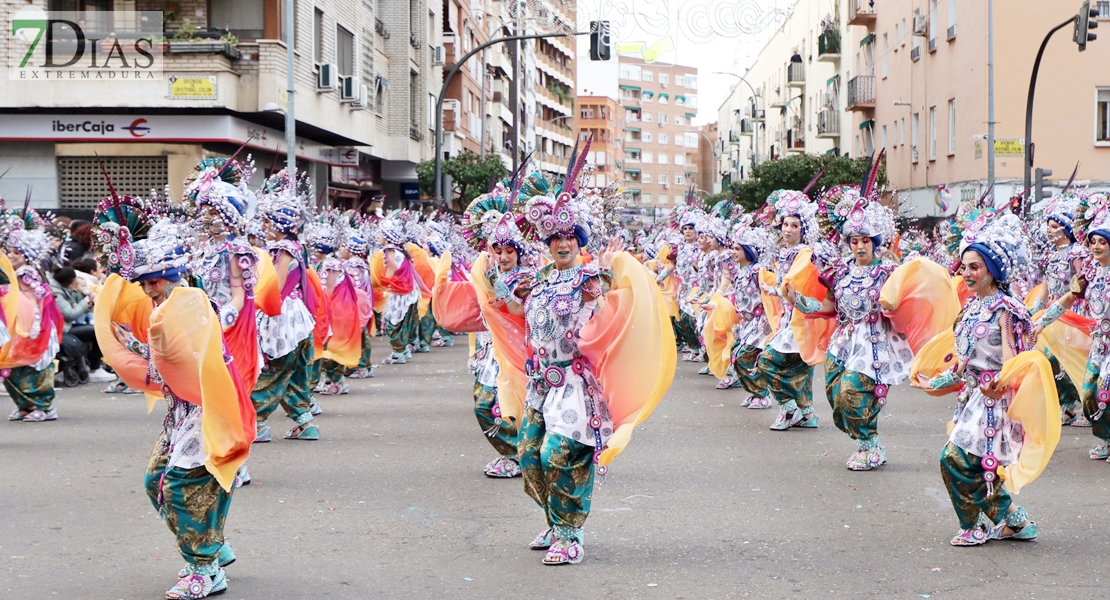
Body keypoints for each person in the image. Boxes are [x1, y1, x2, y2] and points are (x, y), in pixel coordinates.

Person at [911, 210, 1048, 546]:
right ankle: (1016, 522)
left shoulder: (1007, 309)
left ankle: (975, 526)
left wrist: (998, 384)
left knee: (955, 459)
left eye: (975, 267)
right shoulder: (972, 308)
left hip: (995, 400)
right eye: (965, 266)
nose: (967, 273)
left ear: (992, 270)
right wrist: (935, 384)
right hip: (973, 398)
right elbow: (962, 360)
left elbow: (1018, 361)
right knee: (974, 465)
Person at [787, 187, 909, 469]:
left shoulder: (889, 272)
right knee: (835, 397)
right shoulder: (840, 270)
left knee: (851, 392)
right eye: (854, 240)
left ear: (875, 242)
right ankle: (865, 442)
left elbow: (904, 305)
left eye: (865, 240)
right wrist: (800, 302)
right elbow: (830, 308)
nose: (859, 246)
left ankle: (870, 443)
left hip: (874, 343)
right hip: (843, 342)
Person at [1034, 191, 1110, 458]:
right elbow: (1067, 298)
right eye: (1094, 241)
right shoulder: (1089, 272)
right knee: (1089, 392)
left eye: (1103, 242)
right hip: (1099, 342)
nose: (1097, 247)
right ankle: (1106, 437)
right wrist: (1041, 321)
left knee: (1105, 389)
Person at [254, 169, 319, 441]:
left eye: (268, 220)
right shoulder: (295, 246)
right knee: (292, 373)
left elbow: (275, 287)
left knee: (273, 371)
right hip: (296, 317)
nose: (265, 225)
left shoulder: (283, 250)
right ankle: (305, 423)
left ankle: (255, 421)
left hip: (283, 318)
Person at [756, 190, 819, 430]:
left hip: (801, 320)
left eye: (794, 225)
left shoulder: (805, 254)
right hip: (789, 320)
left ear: (803, 229)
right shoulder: (786, 253)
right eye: (785, 224)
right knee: (800, 371)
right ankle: (808, 414)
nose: (788, 229)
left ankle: (788, 408)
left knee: (767, 361)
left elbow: (802, 288)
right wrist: (772, 290)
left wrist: (783, 292)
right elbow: (786, 288)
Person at [1029, 193, 1090, 426]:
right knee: (1051, 358)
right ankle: (1066, 406)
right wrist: (1033, 312)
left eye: (1054, 226)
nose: (1049, 230)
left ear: (1065, 228)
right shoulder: (1049, 255)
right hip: (1055, 315)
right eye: (1048, 226)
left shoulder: (1078, 254)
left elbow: (1080, 288)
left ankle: (1087, 408)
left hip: (1076, 314)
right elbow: (1044, 289)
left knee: (1076, 359)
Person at [3, 226, 63, 422]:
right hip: (17, 325)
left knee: (34, 366)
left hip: (33, 326)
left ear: (27, 256)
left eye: (16, 252)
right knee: (12, 365)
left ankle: (43, 406)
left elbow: (38, 299)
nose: (11, 255)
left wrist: (36, 325)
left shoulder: (26, 274)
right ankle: (24, 405)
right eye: (9, 251)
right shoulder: (10, 273)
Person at [50, 266, 114, 382]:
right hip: (64, 328)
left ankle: (90, 365)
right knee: (97, 331)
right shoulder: (57, 294)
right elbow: (69, 314)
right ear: (69, 283)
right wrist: (85, 302)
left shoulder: (62, 288)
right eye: (74, 283)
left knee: (97, 328)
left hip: (68, 324)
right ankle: (94, 369)